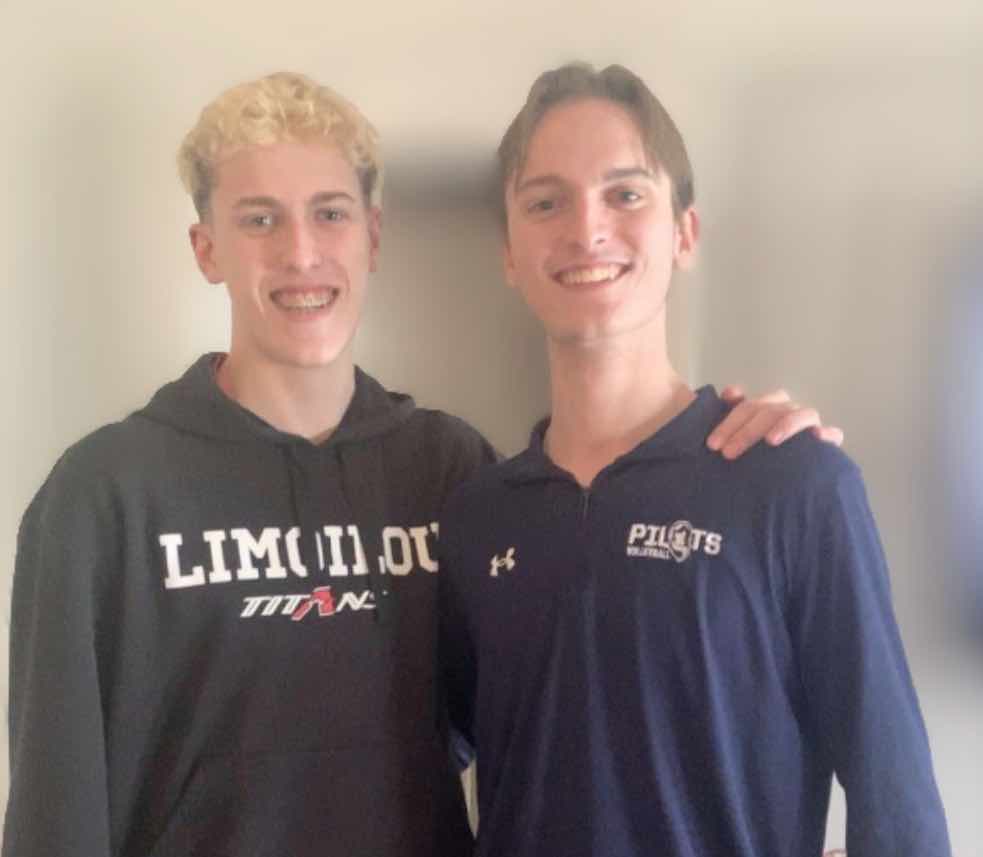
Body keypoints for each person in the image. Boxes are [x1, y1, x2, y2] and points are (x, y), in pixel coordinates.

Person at [4, 71, 838, 857]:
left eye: (329, 213)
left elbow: (536, 714)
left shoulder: (451, 472)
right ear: (207, 248)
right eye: (259, 219)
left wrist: (727, 441)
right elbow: (54, 807)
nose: (300, 253)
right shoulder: (103, 497)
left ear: (371, 235)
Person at [438, 63, 951, 857]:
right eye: (545, 202)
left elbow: (898, 801)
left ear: (684, 233)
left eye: (625, 193)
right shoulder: (479, 517)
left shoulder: (793, 484)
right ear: (509, 251)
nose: (585, 228)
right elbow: (431, 759)